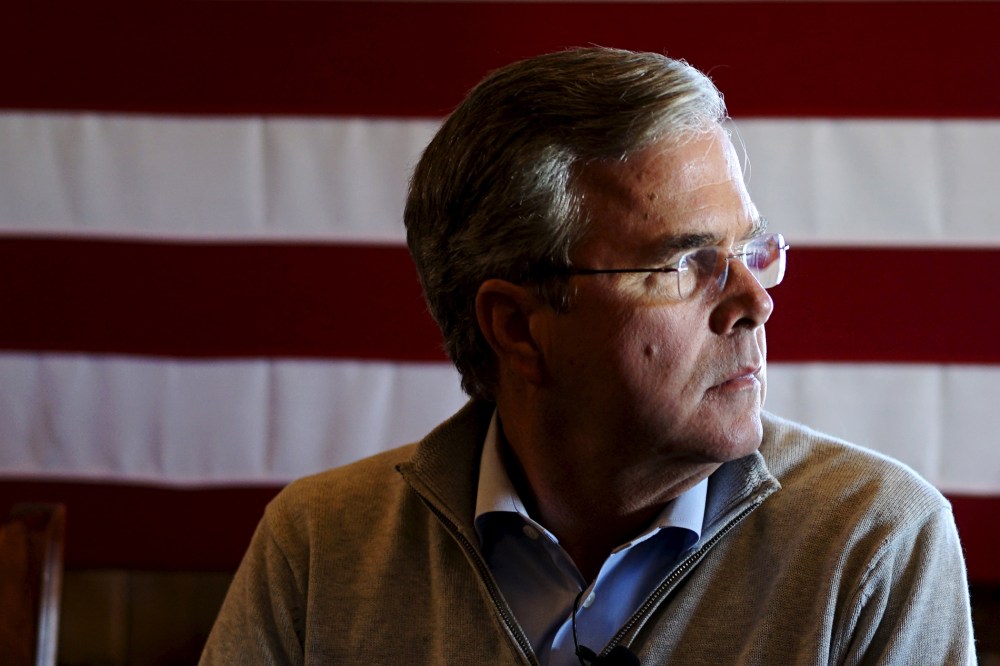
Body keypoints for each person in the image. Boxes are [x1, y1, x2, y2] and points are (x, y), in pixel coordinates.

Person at [200, 47, 976, 664]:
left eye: (748, 248)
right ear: (516, 326)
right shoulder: (318, 545)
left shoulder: (875, 541)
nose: (755, 301)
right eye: (684, 263)